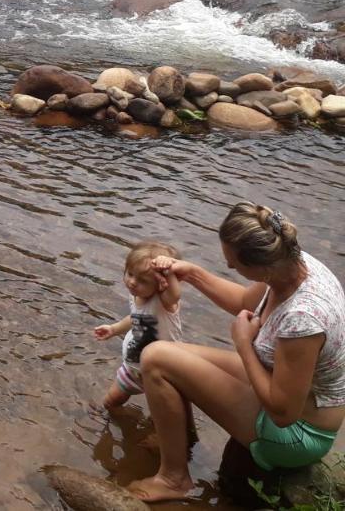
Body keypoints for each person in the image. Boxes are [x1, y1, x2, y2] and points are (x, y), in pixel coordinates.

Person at [127, 203, 345, 503]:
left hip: (298, 433)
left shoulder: (303, 319)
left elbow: (283, 413)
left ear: (263, 267)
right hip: (287, 390)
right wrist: (191, 273)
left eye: (233, 265)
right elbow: (244, 300)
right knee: (169, 354)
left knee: (155, 359)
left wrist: (243, 345)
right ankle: (180, 440)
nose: (230, 269)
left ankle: (174, 478)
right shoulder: (293, 263)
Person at [93, 241, 183, 410]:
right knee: (111, 402)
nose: (132, 282)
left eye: (142, 280)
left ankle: (155, 432)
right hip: (133, 368)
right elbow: (136, 317)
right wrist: (114, 329)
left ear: (161, 284)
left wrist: (169, 272)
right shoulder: (136, 295)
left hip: (161, 373)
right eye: (130, 273)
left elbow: (175, 294)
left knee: (163, 412)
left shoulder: (164, 302)